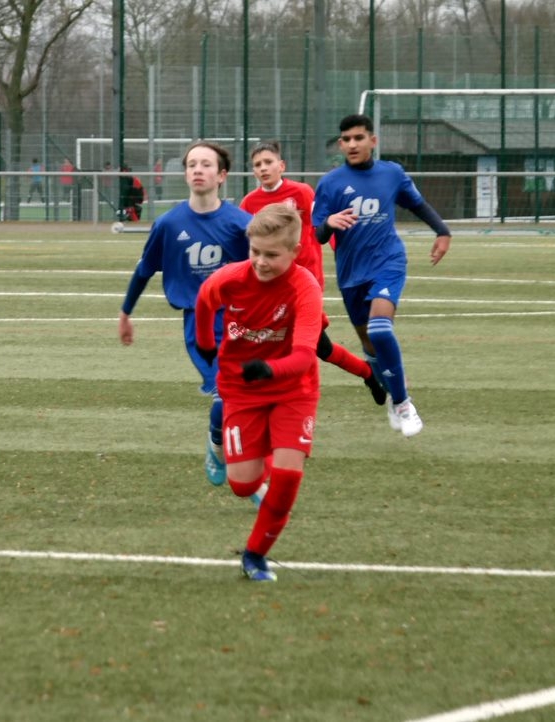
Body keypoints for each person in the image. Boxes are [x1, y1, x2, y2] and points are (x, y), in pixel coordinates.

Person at [194, 203, 324, 581]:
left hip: (292, 389)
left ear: (295, 252)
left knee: (285, 480)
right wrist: (205, 343)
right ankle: (220, 441)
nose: (261, 262)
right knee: (243, 485)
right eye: (255, 252)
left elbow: (303, 356)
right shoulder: (230, 278)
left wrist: (270, 368)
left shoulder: (305, 288)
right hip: (240, 389)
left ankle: (255, 556)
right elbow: (205, 299)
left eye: (272, 255)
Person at [117, 140, 252, 494]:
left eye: (206, 164)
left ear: (222, 175)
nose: (197, 170)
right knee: (227, 394)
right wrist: (125, 312)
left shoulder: (242, 224)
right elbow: (145, 269)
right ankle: (218, 447)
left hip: (242, 321)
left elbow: (269, 267)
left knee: (246, 395)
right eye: (192, 164)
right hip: (200, 325)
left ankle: (230, 449)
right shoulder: (168, 223)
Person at [312, 113, 452, 437]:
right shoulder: (330, 183)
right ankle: (391, 393)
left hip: (388, 260)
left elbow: (417, 204)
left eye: (359, 138)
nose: (352, 144)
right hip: (350, 274)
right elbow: (318, 234)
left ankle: (403, 402)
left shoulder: (392, 173)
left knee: (379, 328)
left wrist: (442, 231)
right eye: (346, 139)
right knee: (368, 342)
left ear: (372, 141)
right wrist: (329, 223)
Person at [240, 140, 386, 406]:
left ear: (281, 165)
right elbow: (245, 244)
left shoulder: (302, 192)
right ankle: (367, 374)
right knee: (320, 347)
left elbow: (320, 226)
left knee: (305, 345)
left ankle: (293, 396)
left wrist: (336, 248)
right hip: (270, 283)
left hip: (304, 281)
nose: (263, 168)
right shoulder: (250, 203)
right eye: (258, 165)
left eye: (268, 162)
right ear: (253, 171)